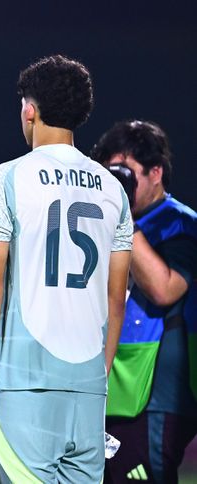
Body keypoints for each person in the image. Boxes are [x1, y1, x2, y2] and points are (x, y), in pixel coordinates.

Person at [0, 55, 133, 482]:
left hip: (25, 382)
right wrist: (98, 379)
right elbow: (116, 298)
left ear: (30, 109)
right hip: (89, 387)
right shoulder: (113, 189)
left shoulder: (6, 178)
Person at [92, 120, 197, 483]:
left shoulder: (181, 224)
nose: (119, 185)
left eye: (127, 174)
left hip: (156, 393)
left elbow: (166, 289)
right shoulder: (100, 223)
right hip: (111, 382)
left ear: (156, 172)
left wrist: (121, 217)